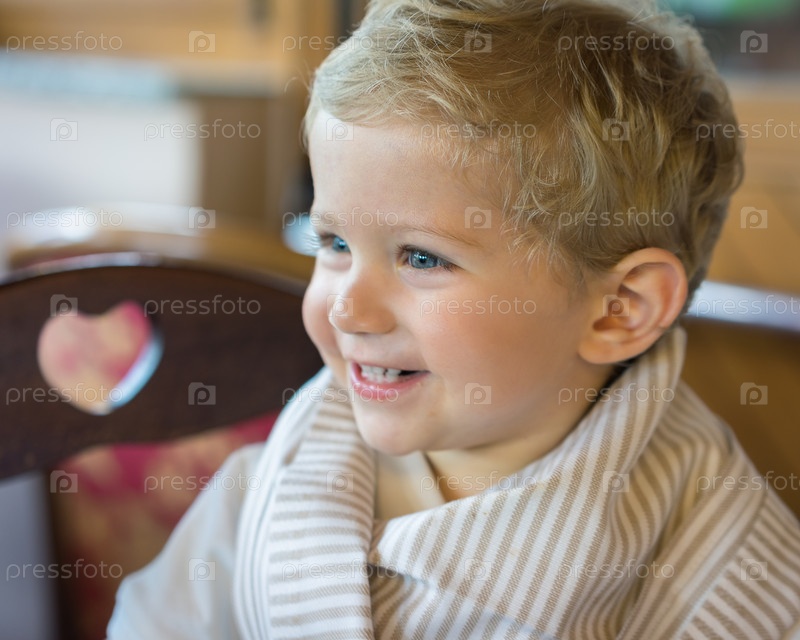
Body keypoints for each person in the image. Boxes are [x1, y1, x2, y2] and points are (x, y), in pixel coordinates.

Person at [108, 0, 800, 637]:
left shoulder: (729, 577)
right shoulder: (271, 484)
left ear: (619, 310)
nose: (348, 307)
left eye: (421, 258)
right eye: (335, 243)